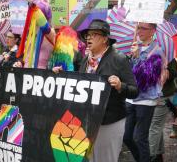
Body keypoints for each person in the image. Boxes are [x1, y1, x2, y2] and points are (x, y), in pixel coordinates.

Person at [54, 19, 138, 162]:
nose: (89, 38)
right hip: (88, 120)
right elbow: (81, 82)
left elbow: (134, 90)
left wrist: (120, 86)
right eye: (88, 35)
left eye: (94, 34)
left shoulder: (119, 59)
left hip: (110, 121)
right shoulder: (87, 59)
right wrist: (62, 74)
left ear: (105, 39)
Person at [123, 22, 167, 162]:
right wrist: (131, 57)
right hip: (131, 99)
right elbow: (128, 74)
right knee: (127, 137)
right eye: (138, 27)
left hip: (146, 100)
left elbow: (145, 79)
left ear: (152, 31)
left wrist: (137, 57)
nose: (140, 31)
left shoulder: (157, 51)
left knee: (139, 138)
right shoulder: (136, 47)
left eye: (144, 28)